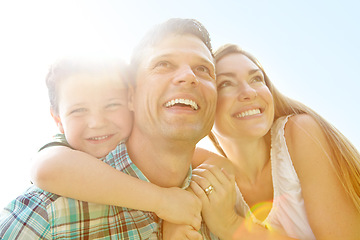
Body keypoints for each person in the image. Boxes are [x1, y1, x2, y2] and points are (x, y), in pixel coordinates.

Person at [1, 18, 220, 239]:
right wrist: (161, 200)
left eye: (202, 68)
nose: (97, 122)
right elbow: (46, 167)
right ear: (132, 97)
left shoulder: (221, 200)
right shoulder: (48, 214)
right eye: (163, 64)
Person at [189, 44, 360, 240]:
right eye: (226, 84)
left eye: (256, 79)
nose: (249, 92)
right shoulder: (209, 170)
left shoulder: (299, 133)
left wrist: (231, 225)